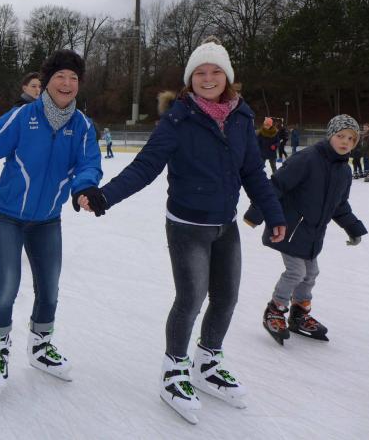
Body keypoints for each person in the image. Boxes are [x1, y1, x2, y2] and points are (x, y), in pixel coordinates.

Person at [77, 37, 286, 424]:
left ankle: (207, 361)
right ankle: (174, 368)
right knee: (191, 298)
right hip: (187, 226)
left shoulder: (242, 117)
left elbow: (253, 172)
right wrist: (105, 196)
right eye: (200, 73)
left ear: (227, 77)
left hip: (225, 224)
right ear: (191, 79)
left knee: (226, 298)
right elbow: (145, 166)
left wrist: (274, 214)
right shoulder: (178, 118)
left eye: (216, 71)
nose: (208, 78)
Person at [0, 49, 102, 399]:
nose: (67, 83)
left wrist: (85, 188)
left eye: (73, 78)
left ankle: (40, 346)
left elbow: (89, 164)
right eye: (60, 76)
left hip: (47, 220)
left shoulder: (83, 126)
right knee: (7, 287)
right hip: (7, 216)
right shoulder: (24, 117)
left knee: (50, 288)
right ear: (47, 81)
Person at [247, 115, 367, 345]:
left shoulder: (344, 171)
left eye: (351, 139)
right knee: (296, 272)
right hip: (288, 228)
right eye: (341, 136)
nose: (345, 142)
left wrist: (353, 228)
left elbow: (340, 205)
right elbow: (276, 185)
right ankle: (275, 309)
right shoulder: (308, 158)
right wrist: (256, 213)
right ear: (330, 135)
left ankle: (299, 313)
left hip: (312, 234)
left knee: (311, 273)